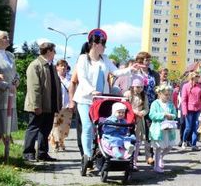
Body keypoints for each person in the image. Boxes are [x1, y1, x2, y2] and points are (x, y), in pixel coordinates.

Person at [73, 29, 138, 168]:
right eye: (103, 44)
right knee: (88, 126)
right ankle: (87, 155)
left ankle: (104, 152)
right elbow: (82, 78)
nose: (105, 47)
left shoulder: (105, 59)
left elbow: (116, 71)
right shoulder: (83, 59)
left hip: (100, 100)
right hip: (85, 99)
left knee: (103, 126)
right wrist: (92, 90)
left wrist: (130, 69)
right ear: (95, 44)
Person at [22, 42, 63, 162]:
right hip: (39, 105)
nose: (55, 54)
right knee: (33, 128)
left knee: (45, 130)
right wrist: (36, 105)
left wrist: (58, 104)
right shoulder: (35, 65)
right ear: (49, 51)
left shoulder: (51, 66)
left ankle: (42, 153)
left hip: (50, 105)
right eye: (54, 51)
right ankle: (28, 152)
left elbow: (56, 86)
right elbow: (34, 87)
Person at [0, 30, 20, 159]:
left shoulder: (10, 55)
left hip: (10, 94)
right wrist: (7, 86)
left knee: (4, 124)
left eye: (7, 37)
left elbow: (15, 72)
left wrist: (17, 80)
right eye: (4, 37)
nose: (8, 39)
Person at [148, 84, 178, 173]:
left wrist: (171, 116)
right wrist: (163, 115)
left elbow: (174, 114)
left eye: (169, 95)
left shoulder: (171, 104)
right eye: (166, 94)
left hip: (168, 129)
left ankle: (161, 156)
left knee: (170, 145)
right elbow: (152, 115)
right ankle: (156, 166)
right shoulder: (155, 103)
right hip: (158, 129)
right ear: (160, 94)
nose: (168, 96)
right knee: (158, 147)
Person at [124, 77, 150, 170]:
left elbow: (146, 107)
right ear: (133, 86)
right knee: (128, 140)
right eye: (137, 87)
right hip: (128, 120)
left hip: (139, 120)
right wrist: (135, 111)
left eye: (141, 87)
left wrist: (143, 113)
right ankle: (126, 159)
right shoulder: (127, 94)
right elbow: (125, 106)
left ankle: (134, 161)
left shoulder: (144, 95)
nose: (139, 89)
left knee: (138, 141)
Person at [49, 59, 73, 152]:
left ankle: (61, 141)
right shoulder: (54, 77)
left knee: (65, 125)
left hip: (67, 105)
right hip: (56, 105)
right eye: (61, 66)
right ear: (57, 67)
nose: (63, 67)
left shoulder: (70, 78)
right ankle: (55, 142)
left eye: (65, 66)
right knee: (55, 124)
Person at [181, 72, 201, 151]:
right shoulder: (186, 86)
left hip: (198, 109)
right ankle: (184, 141)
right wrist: (184, 111)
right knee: (188, 127)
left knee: (196, 127)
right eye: (196, 76)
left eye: (198, 76)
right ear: (192, 77)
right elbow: (183, 100)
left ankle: (194, 144)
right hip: (189, 109)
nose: (198, 78)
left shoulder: (200, 86)